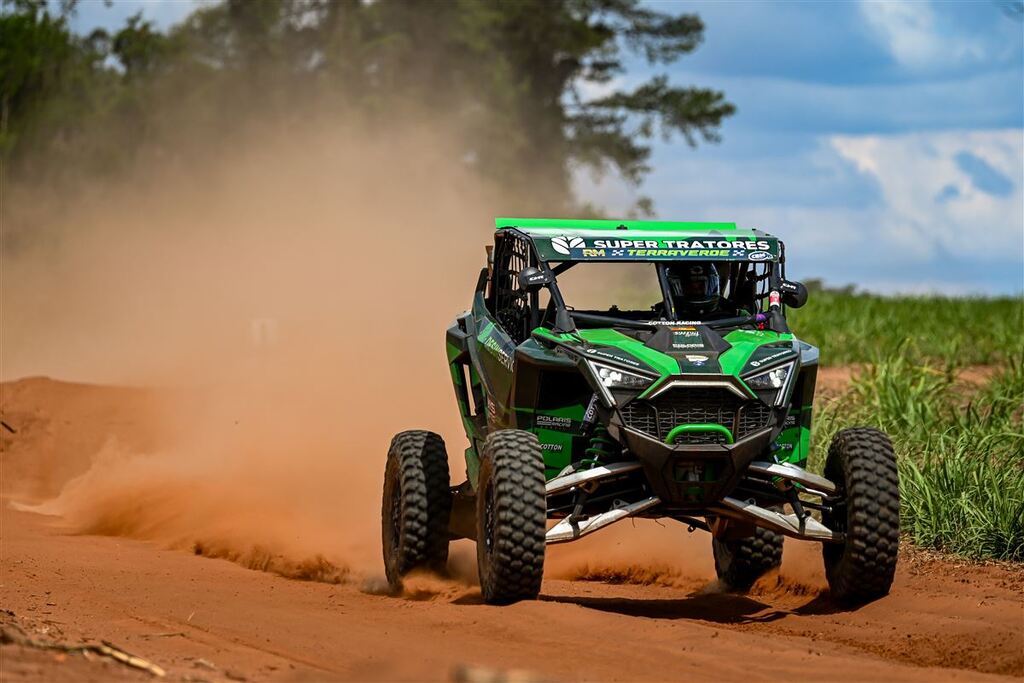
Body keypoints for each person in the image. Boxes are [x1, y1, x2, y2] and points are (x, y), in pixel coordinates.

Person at [663, 262, 741, 320]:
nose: (696, 289)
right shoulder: (664, 315)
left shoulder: (733, 313)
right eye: (690, 287)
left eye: (701, 286)